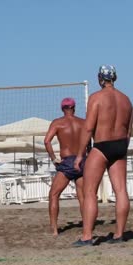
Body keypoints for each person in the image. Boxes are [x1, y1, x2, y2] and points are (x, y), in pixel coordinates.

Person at [73, 65, 133, 246]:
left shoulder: (96, 98)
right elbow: (129, 132)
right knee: (121, 191)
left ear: (100, 78)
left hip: (102, 145)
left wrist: (80, 155)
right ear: (115, 78)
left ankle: (87, 236)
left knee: (90, 192)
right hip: (121, 145)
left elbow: (88, 128)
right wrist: (121, 148)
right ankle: (119, 234)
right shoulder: (126, 100)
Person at [44, 97, 89, 236]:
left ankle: (54, 229)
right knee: (82, 197)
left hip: (68, 161)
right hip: (82, 160)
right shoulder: (83, 122)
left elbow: (47, 141)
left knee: (53, 194)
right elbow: (90, 141)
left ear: (62, 109)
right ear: (74, 108)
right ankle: (87, 226)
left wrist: (53, 158)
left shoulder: (58, 123)